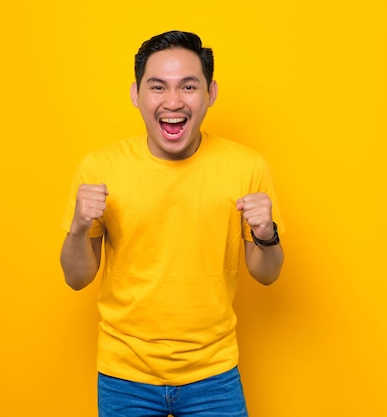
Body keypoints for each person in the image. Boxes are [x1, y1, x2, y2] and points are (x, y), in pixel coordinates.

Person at [60, 30, 285, 417]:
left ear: (211, 93)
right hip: (123, 374)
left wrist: (266, 235)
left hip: (214, 373)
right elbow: (76, 277)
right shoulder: (99, 168)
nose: (173, 101)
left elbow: (267, 274)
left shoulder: (247, 167)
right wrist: (80, 227)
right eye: (158, 86)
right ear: (136, 94)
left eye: (189, 86)